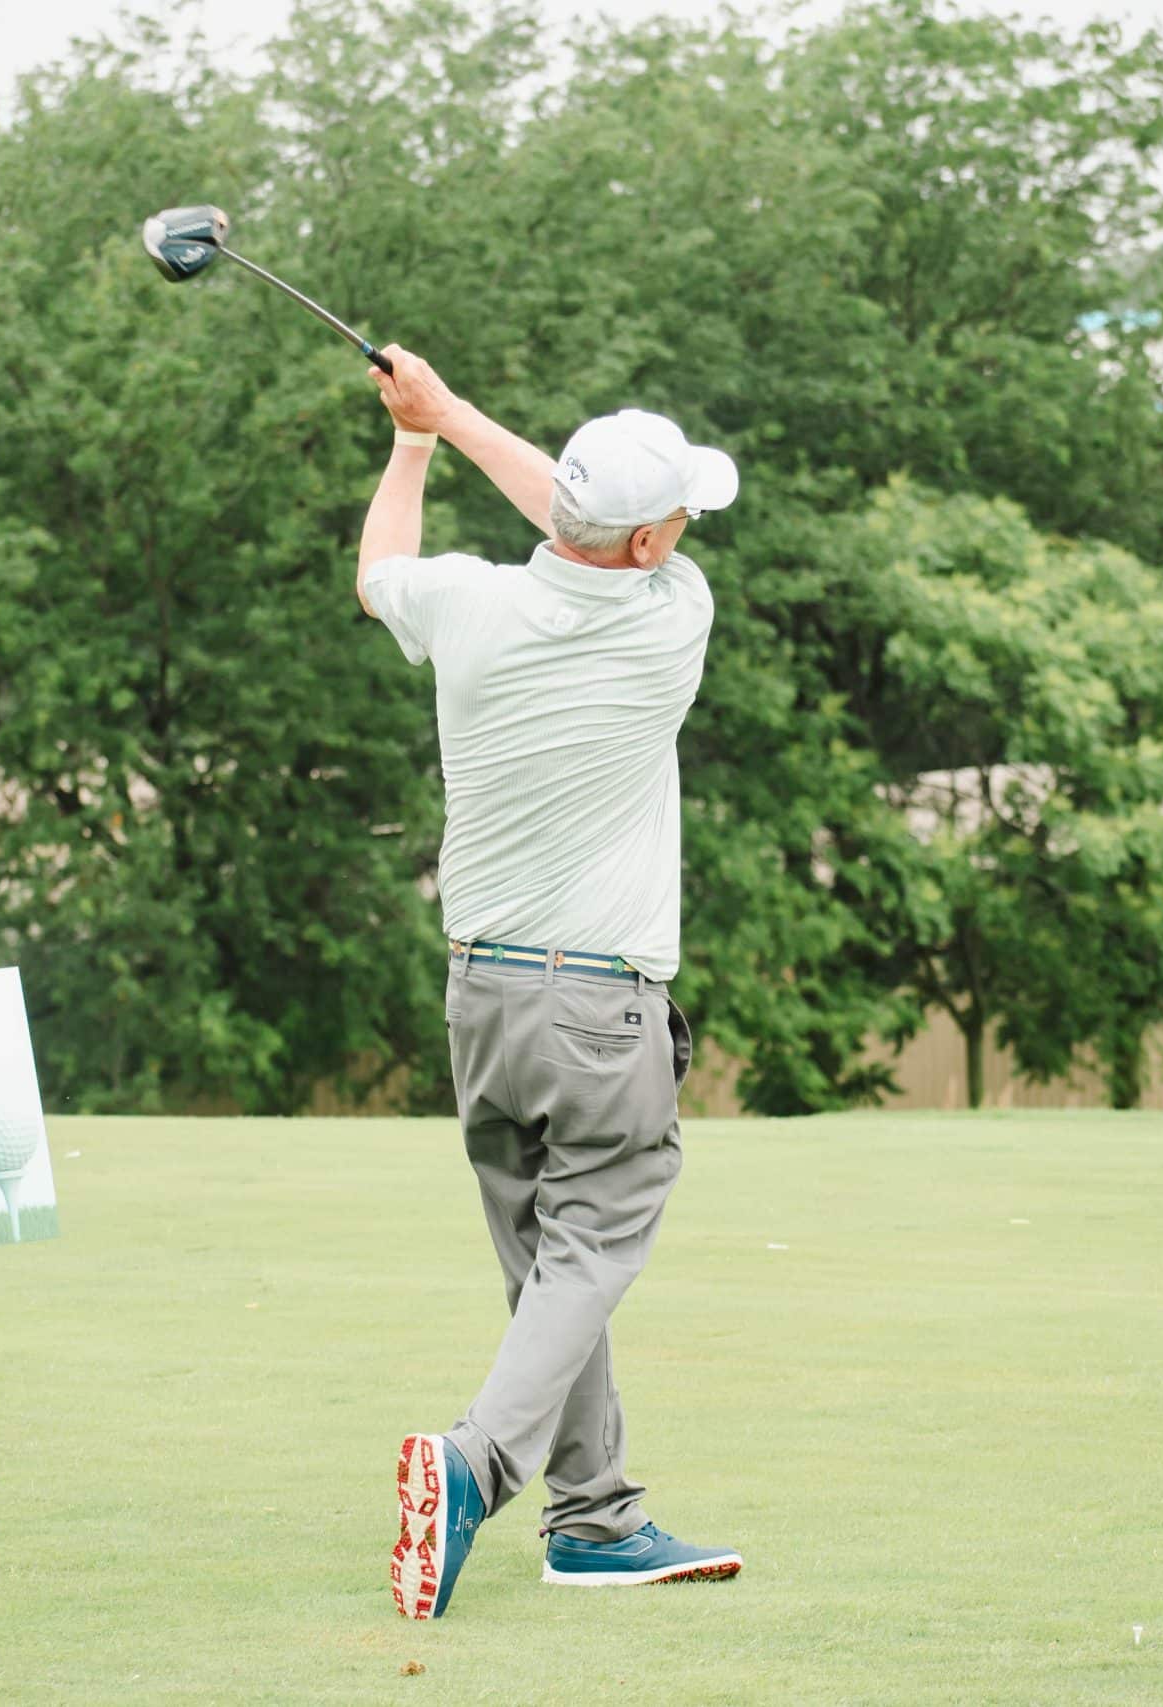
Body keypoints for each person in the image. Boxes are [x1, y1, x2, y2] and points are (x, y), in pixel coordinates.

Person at [355, 346, 743, 1621]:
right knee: (593, 1244)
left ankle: (594, 1520)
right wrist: (455, 414)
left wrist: (417, 438)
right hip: (599, 1009)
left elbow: (380, 570)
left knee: (547, 1269)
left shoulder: (463, 603)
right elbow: (582, 530)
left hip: (480, 997)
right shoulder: (669, 614)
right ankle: (475, 1466)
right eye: (677, 516)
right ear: (650, 543)